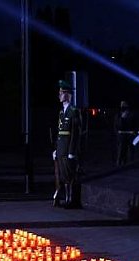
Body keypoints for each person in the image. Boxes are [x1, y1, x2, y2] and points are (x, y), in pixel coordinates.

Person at [53, 79, 82, 208]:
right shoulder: (61, 112)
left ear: (67, 94)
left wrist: (72, 151)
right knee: (63, 175)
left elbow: (75, 133)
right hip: (61, 148)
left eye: (62, 93)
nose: (59, 95)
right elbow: (59, 132)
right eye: (59, 93)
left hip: (68, 149)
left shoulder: (73, 111)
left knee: (70, 175)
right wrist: (56, 149)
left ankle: (71, 200)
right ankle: (67, 198)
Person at [113, 100, 137, 166]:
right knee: (121, 150)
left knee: (128, 151)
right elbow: (116, 126)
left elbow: (134, 125)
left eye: (124, 104)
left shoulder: (131, 115)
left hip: (129, 136)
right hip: (121, 136)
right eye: (121, 104)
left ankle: (127, 163)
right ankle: (119, 163)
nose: (122, 106)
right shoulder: (118, 115)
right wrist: (122, 118)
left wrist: (133, 133)